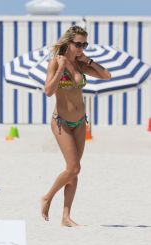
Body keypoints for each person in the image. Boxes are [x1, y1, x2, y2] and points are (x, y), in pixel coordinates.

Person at [41, 25, 111, 227]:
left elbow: (107, 76)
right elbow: (48, 91)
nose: (81, 48)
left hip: (80, 123)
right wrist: (61, 68)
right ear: (68, 43)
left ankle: (65, 217)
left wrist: (88, 61)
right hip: (61, 122)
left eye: (84, 44)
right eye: (78, 44)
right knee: (74, 167)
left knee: (74, 171)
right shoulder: (55, 62)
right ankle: (47, 197)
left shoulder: (81, 64)